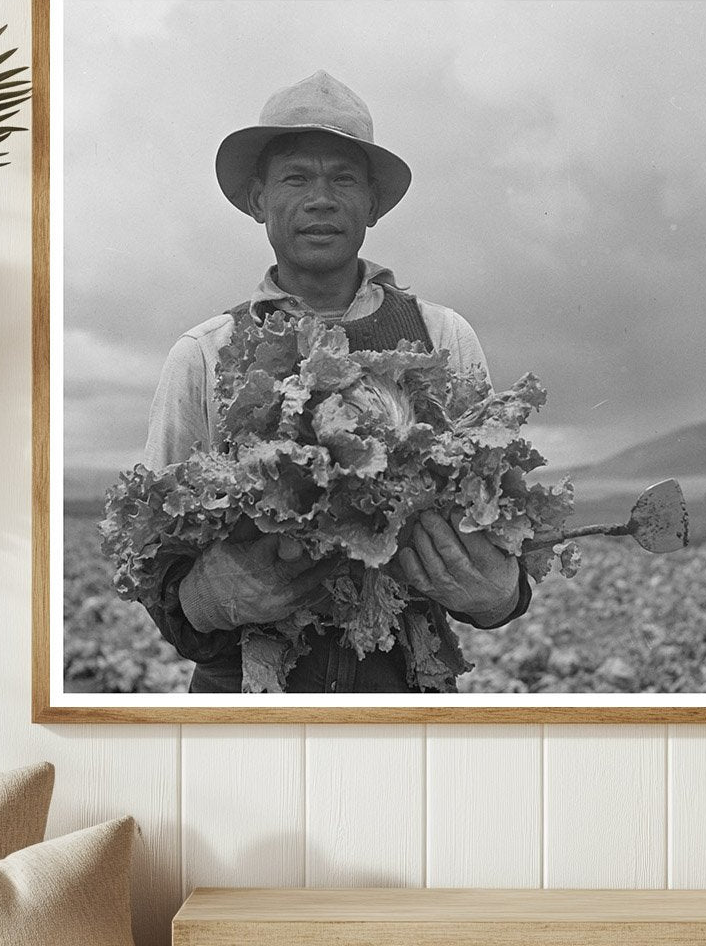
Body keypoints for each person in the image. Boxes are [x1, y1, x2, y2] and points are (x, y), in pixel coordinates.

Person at [141, 71, 532, 693]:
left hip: (403, 692)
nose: (321, 199)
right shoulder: (203, 355)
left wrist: (497, 593)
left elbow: (503, 530)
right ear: (257, 200)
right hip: (246, 698)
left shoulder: (443, 337)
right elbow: (153, 557)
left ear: (372, 205)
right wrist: (206, 598)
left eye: (343, 178)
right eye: (296, 177)